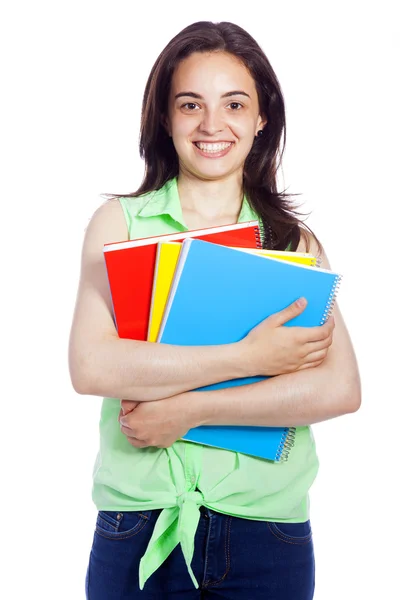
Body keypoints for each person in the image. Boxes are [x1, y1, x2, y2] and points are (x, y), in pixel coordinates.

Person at [68, 20, 361, 600]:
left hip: (267, 533)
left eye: (234, 103)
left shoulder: (290, 242)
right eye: (189, 104)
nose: (211, 125)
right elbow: (91, 367)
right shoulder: (121, 225)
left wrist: (188, 410)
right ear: (164, 118)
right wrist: (248, 357)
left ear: (261, 118)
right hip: (140, 526)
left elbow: (340, 388)